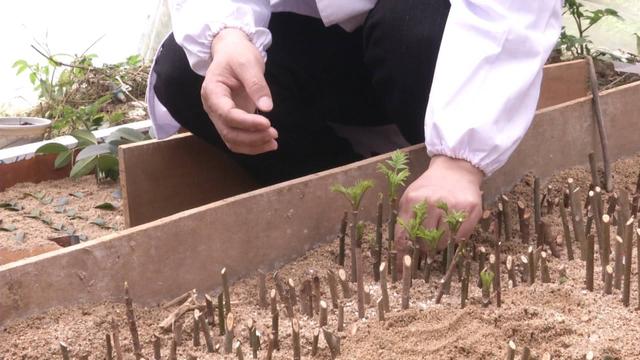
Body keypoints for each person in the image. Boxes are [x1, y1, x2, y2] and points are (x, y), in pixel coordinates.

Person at [147, 0, 562, 258]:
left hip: (434, 50)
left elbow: (510, 11)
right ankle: (341, 199)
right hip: (317, 43)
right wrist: (229, 35)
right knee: (183, 72)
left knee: (411, 26)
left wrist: (461, 159)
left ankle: (439, 178)